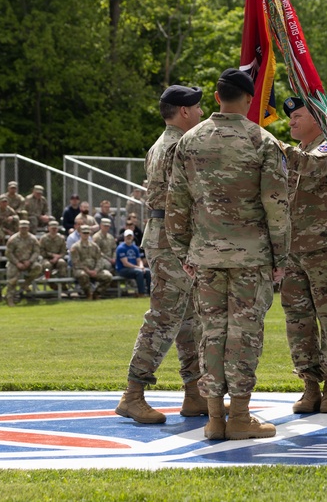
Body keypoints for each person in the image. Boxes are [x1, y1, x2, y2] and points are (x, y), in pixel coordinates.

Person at [167, 68, 289, 440]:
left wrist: (183, 250)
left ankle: (214, 420)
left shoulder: (190, 141)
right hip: (251, 258)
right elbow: (277, 206)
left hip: (205, 256)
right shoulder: (263, 141)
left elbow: (176, 203)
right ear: (250, 100)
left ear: (218, 97)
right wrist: (280, 258)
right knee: (244, 334)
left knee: (212, 334)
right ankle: (238, 416)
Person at [116, 84, 206, 425]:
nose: (201, 114)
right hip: (172, 238)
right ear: (184, 111)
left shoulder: (161, 143)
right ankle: (133, 394)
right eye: (196, 108)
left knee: (188, 320)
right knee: (165, 317)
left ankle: (194, 393)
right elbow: (188, 198)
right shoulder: (178, 146)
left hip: (166, 235)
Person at [279, 95, 327, 414]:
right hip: (292, 251)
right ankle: (310, 386)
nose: (291, 121)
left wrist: (271, 144)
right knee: (298, 320)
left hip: (326, 250)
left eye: (297, 115)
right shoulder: (292, 155)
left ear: (317, 117)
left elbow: (310, 166)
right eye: (290, 117)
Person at [4, 220, 44, 307]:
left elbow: (36, 252)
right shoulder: (13, 239)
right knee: (12, 279)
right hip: (15, 263)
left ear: (28, 228)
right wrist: (17, 263)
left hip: (28, 262)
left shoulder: (33, 239)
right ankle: (10, 298)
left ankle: (26, 284)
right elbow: (8, 253)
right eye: (22, 228)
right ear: (19, 228)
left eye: (25, 228)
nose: (24, 229)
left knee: (38, 267)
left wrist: (30, 261)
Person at [70, 224, 113, 300]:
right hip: (82, 270)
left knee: (108, 276)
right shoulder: (75, 247)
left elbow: (99, 260)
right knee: (82, 275)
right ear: (80, 233)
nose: (86, 234)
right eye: (84, 233)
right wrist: (88, 271)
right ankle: (88, 294)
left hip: (94, 270)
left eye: (87, 233)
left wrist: (96, 270)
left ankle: (97, 293)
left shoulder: (94, 246)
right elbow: (76, 262)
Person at [116, 230, 151, 295]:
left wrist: (141, 266)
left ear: (132, 237)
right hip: (123, 269)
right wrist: (138, 267)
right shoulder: (121, 248)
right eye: (127, 236)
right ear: (124, 237)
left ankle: (150, 293)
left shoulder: (135, 248)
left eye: (130, 236)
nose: (128, 238)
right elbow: (125, 263)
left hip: (134, 268)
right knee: (139, 272)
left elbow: (139, 260)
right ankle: (141, 293)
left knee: (148, 271)